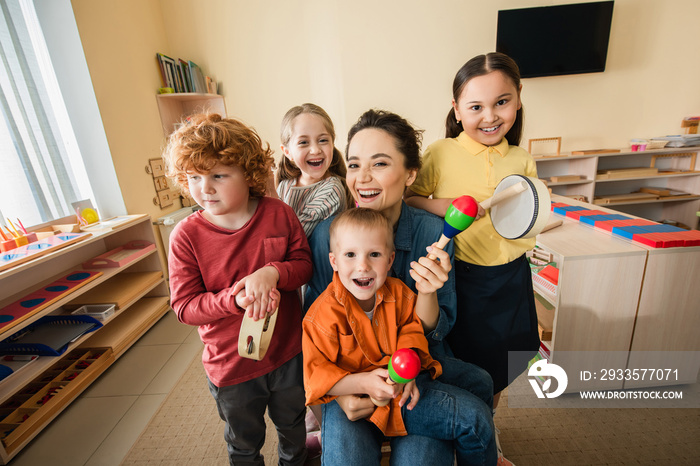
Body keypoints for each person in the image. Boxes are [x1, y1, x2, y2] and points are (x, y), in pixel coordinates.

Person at [305, 109, 495, 465]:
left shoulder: (432, 234)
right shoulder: (324, 238)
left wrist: (427, 292)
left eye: (379, 164)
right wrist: (339, 392)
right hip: (350, 373)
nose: (362, 178)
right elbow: (314, 339)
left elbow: (431, 331)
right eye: (355, 164)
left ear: (410, 174)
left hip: (414, 370)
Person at [405, 52, 541, 465]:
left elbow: (528, 211)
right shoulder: (441, 152)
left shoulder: (521, 158)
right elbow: (413, 197)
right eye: (475, 106)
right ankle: (464, 430)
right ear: (456, 109)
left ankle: (488, 427)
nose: (490, 116)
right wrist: (449, 205)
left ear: (518, 100)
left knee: (503, 359)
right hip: (464, 278)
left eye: (502, 102)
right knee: (463, 362)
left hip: (513, 277)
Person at [164, 113, 312, 466]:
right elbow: (184, 306)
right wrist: (234, 299)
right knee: (244, 443)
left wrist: (273, 273)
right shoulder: (185, 236)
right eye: (194, 178)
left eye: (218, 175)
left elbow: (304, 266)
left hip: (287, 353)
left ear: (248, 173)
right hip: (231, 366)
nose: (205, 188)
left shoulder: (278, 214)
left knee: (293, 428)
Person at [275, 103, 351, 237]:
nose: (315, 150)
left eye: (323, 140)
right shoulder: (284, 186)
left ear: (332, 144)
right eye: (303, 142)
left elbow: (292, 237)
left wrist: (270, 193)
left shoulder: (331, 190)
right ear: (287, 152)